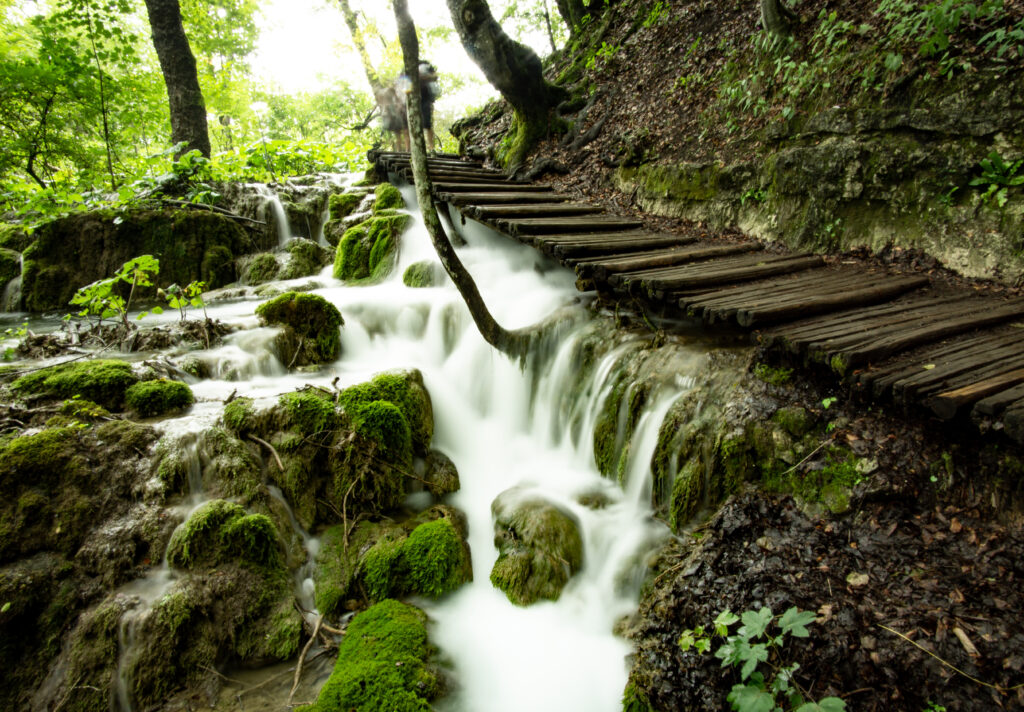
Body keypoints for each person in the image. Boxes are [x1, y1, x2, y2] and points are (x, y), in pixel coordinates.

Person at [374, 83, 408, 152]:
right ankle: (400, 150)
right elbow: (396, 100)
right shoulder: (382, 94)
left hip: (392, 114)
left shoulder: (386, 92)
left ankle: (403, 150)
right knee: (398, 133)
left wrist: (398, 106)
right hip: (392, 114)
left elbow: (396, 99)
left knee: (400, 133)